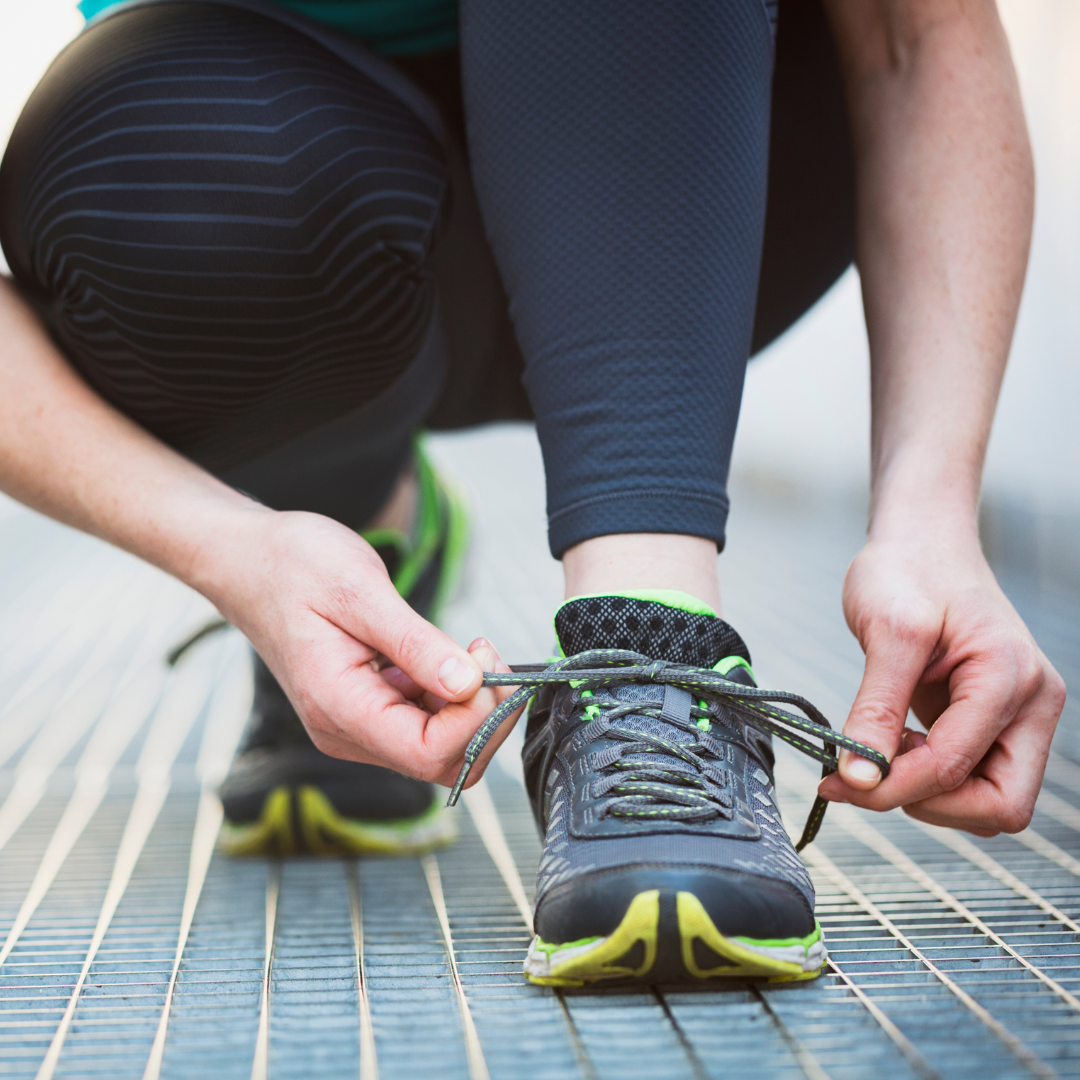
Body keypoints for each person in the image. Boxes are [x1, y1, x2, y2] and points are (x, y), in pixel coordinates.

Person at [0, 0, 1064, 987]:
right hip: (292, 201)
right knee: (146, 152)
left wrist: (931, 516)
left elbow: (915, 37)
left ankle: (655, 661)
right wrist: (230, 550)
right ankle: (358, 539)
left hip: (715, 159)